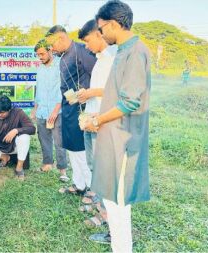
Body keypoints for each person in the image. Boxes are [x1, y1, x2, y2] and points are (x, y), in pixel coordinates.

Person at [83, 1, 151, 251]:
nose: (100, 34)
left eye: (101, 29)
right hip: (113, 136)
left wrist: (97, 120)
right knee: (113, 200)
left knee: (119, 203)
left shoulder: (135, 52)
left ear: (113, 24)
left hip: (124, 140)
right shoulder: (123, 50)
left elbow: (130, 102)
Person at [76, 19, 118, 235]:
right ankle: (101, 209)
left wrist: (90, 93)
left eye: (87, 40)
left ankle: (108, 220)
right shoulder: (99, 60)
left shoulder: (113, 58)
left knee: (104, 171)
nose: (86, 45)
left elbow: (116, 91)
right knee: (95, 167)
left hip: (104, 123)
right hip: (92, 121)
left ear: (99, 35)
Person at [45, 25, 96, 195]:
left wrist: (86, 95)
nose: (51, 49)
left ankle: (90, 188)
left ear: (61, 38)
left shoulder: (82, 51)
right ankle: (78, 184)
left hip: (82, 109)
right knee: (72, 149)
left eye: (52, 44)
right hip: (68, 108)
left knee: (81, 149)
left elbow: (95, 78)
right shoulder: (63, 57)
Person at [31, 39, 69, 182]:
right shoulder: (40, 68)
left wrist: (55, 111)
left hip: (57, 111)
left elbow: (63, 89)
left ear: (50, 51)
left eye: (42, 54)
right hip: (42, 110)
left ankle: (63, 170)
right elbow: (39, 90)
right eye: (38, 55)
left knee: (59, 142)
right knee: (43, 139)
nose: (40, 57)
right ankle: (47, 164)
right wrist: (35, 109)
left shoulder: (61, 65)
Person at [0, 95, 36, 180]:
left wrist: (16, 130)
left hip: (14, 147)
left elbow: (32, 129)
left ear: (9, 110)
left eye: (2, 113)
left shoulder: (18, 113)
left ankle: (19, 168)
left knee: (25, 137)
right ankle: (4, 157)